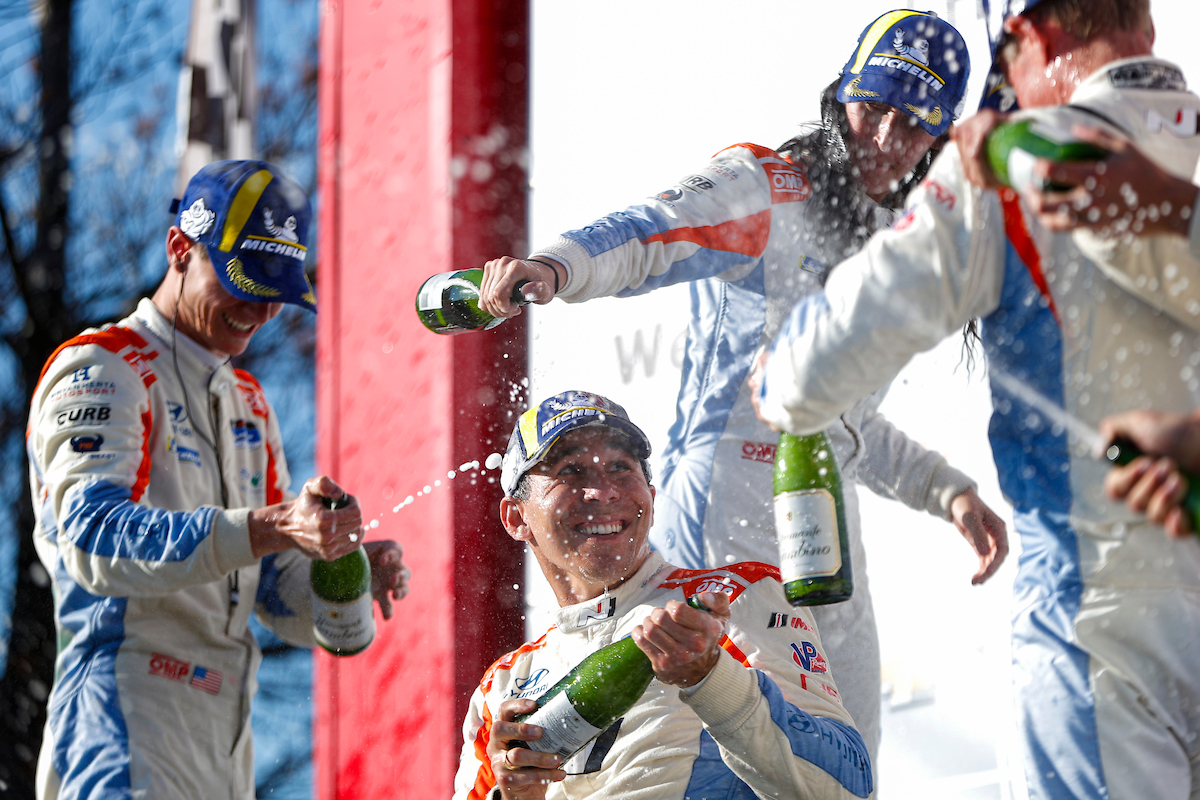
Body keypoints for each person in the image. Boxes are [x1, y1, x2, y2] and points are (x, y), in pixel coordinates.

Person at [474, 9, 1007, 764]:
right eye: (875, 108)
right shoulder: (767, 186)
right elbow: (655, 230)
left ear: (940, 137)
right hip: (724, 502)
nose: (887, 139)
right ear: (840, 96)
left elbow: (845, 426)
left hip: (824, 513)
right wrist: (556, 266)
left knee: (847, 757)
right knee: (720, 748)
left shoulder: (904, 241)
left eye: (915, 123)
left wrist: (946, 489)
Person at [753, 1, 1200, 797]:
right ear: (1148, 30)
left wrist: (781, 376)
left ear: (1027, 39)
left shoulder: (997, 168)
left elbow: (807, 372)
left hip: (1101, 620)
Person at [26, 160, 411, 799]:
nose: (256, 311)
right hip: (124, 709)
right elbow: (92, 540)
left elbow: (270, 594)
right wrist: (270, 527)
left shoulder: (251, 404)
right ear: (181, 248)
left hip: (226, 732)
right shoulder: (103, 367)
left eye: (273, 291)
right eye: (242, 282)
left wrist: (339, 568)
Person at [452, 390, 872, 800]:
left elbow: (849, 785)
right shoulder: (503, 684)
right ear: (515, 517)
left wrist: (711, 679)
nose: (604, 490)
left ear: (650, 499)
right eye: (571, 471)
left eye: (620, 468)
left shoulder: (728, 598)